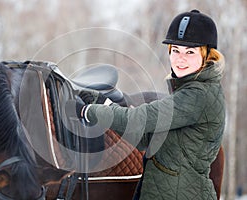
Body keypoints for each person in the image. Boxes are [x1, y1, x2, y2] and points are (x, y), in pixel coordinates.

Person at [68, 9, 225, 199]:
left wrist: (88, 111)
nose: (180, 58)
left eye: (190, 52)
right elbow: (146, 140)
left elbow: (139, 119)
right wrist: (101, 101)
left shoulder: (200, 95)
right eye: (175, 50)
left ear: (207, 55)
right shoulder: (186, 92)